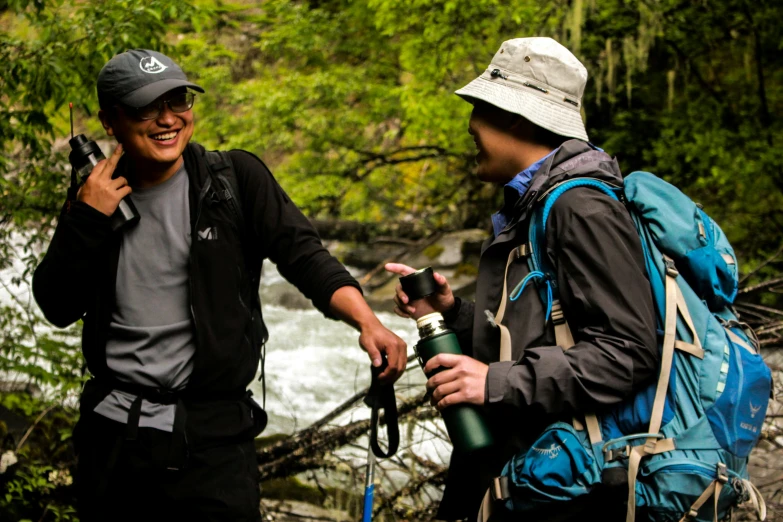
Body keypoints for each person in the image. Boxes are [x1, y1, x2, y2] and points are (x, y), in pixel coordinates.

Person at [32, 49, 407, 522]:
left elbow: (305, 256)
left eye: (179, 101)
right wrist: (85, 219)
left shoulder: (233, 180)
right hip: (114, 442)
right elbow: (56, 305)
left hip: (213, 442)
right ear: (111, 121)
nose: (168, 119)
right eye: (148, 108)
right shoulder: (94, 196)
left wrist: (368, 321)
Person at [386, 37, 658, 521]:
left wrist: (493, 381)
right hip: (526, 474)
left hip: (567, 489)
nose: (469, 125)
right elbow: (543, 333)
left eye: (479, 108)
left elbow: (629, 353)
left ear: (516, 115)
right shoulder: (534, 205)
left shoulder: (581, 207)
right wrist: (455, 312)